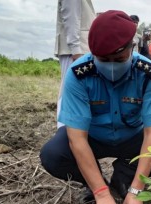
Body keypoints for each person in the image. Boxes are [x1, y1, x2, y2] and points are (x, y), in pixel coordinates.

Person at [40, 10, 151, 204]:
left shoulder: (148, 74)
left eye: (119, 58)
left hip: (131, 138)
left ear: (132, 47)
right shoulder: (78, 75)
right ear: (93, 53)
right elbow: (77, 139)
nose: (112, 65)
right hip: (93, 139)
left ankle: (124, 178)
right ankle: (95, 183)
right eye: (103, 59)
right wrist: (101, 194)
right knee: (53, 154)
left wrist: (136, 190)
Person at [55, 0, 96, 129]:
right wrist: (76, 51)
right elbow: (71, 18)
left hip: (80, 49)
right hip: (76, 50)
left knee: (79, 91)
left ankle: (72, 129)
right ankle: (64, 129)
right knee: (69, 90)